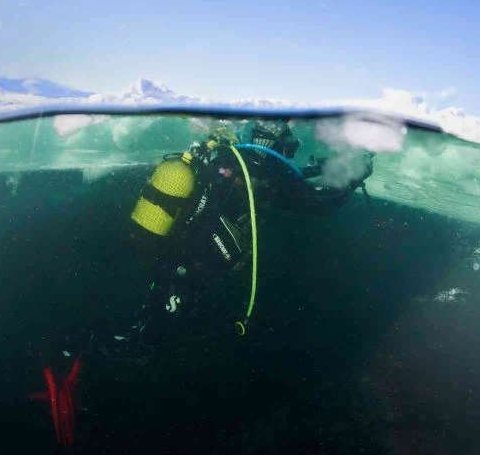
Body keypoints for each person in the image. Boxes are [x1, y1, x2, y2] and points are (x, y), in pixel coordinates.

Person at [124, 120, 374, 353]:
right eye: (288, 147)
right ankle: (123, 354)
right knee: (163, 332)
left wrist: (328, 167)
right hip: (200, 266)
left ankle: (131, 341)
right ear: (274, 146)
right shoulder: (267, 175)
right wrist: (354, 178)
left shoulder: (232, 157)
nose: (289, 154)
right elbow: (320, 203)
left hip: (178, 253)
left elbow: (290, 176)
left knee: (158, 310)